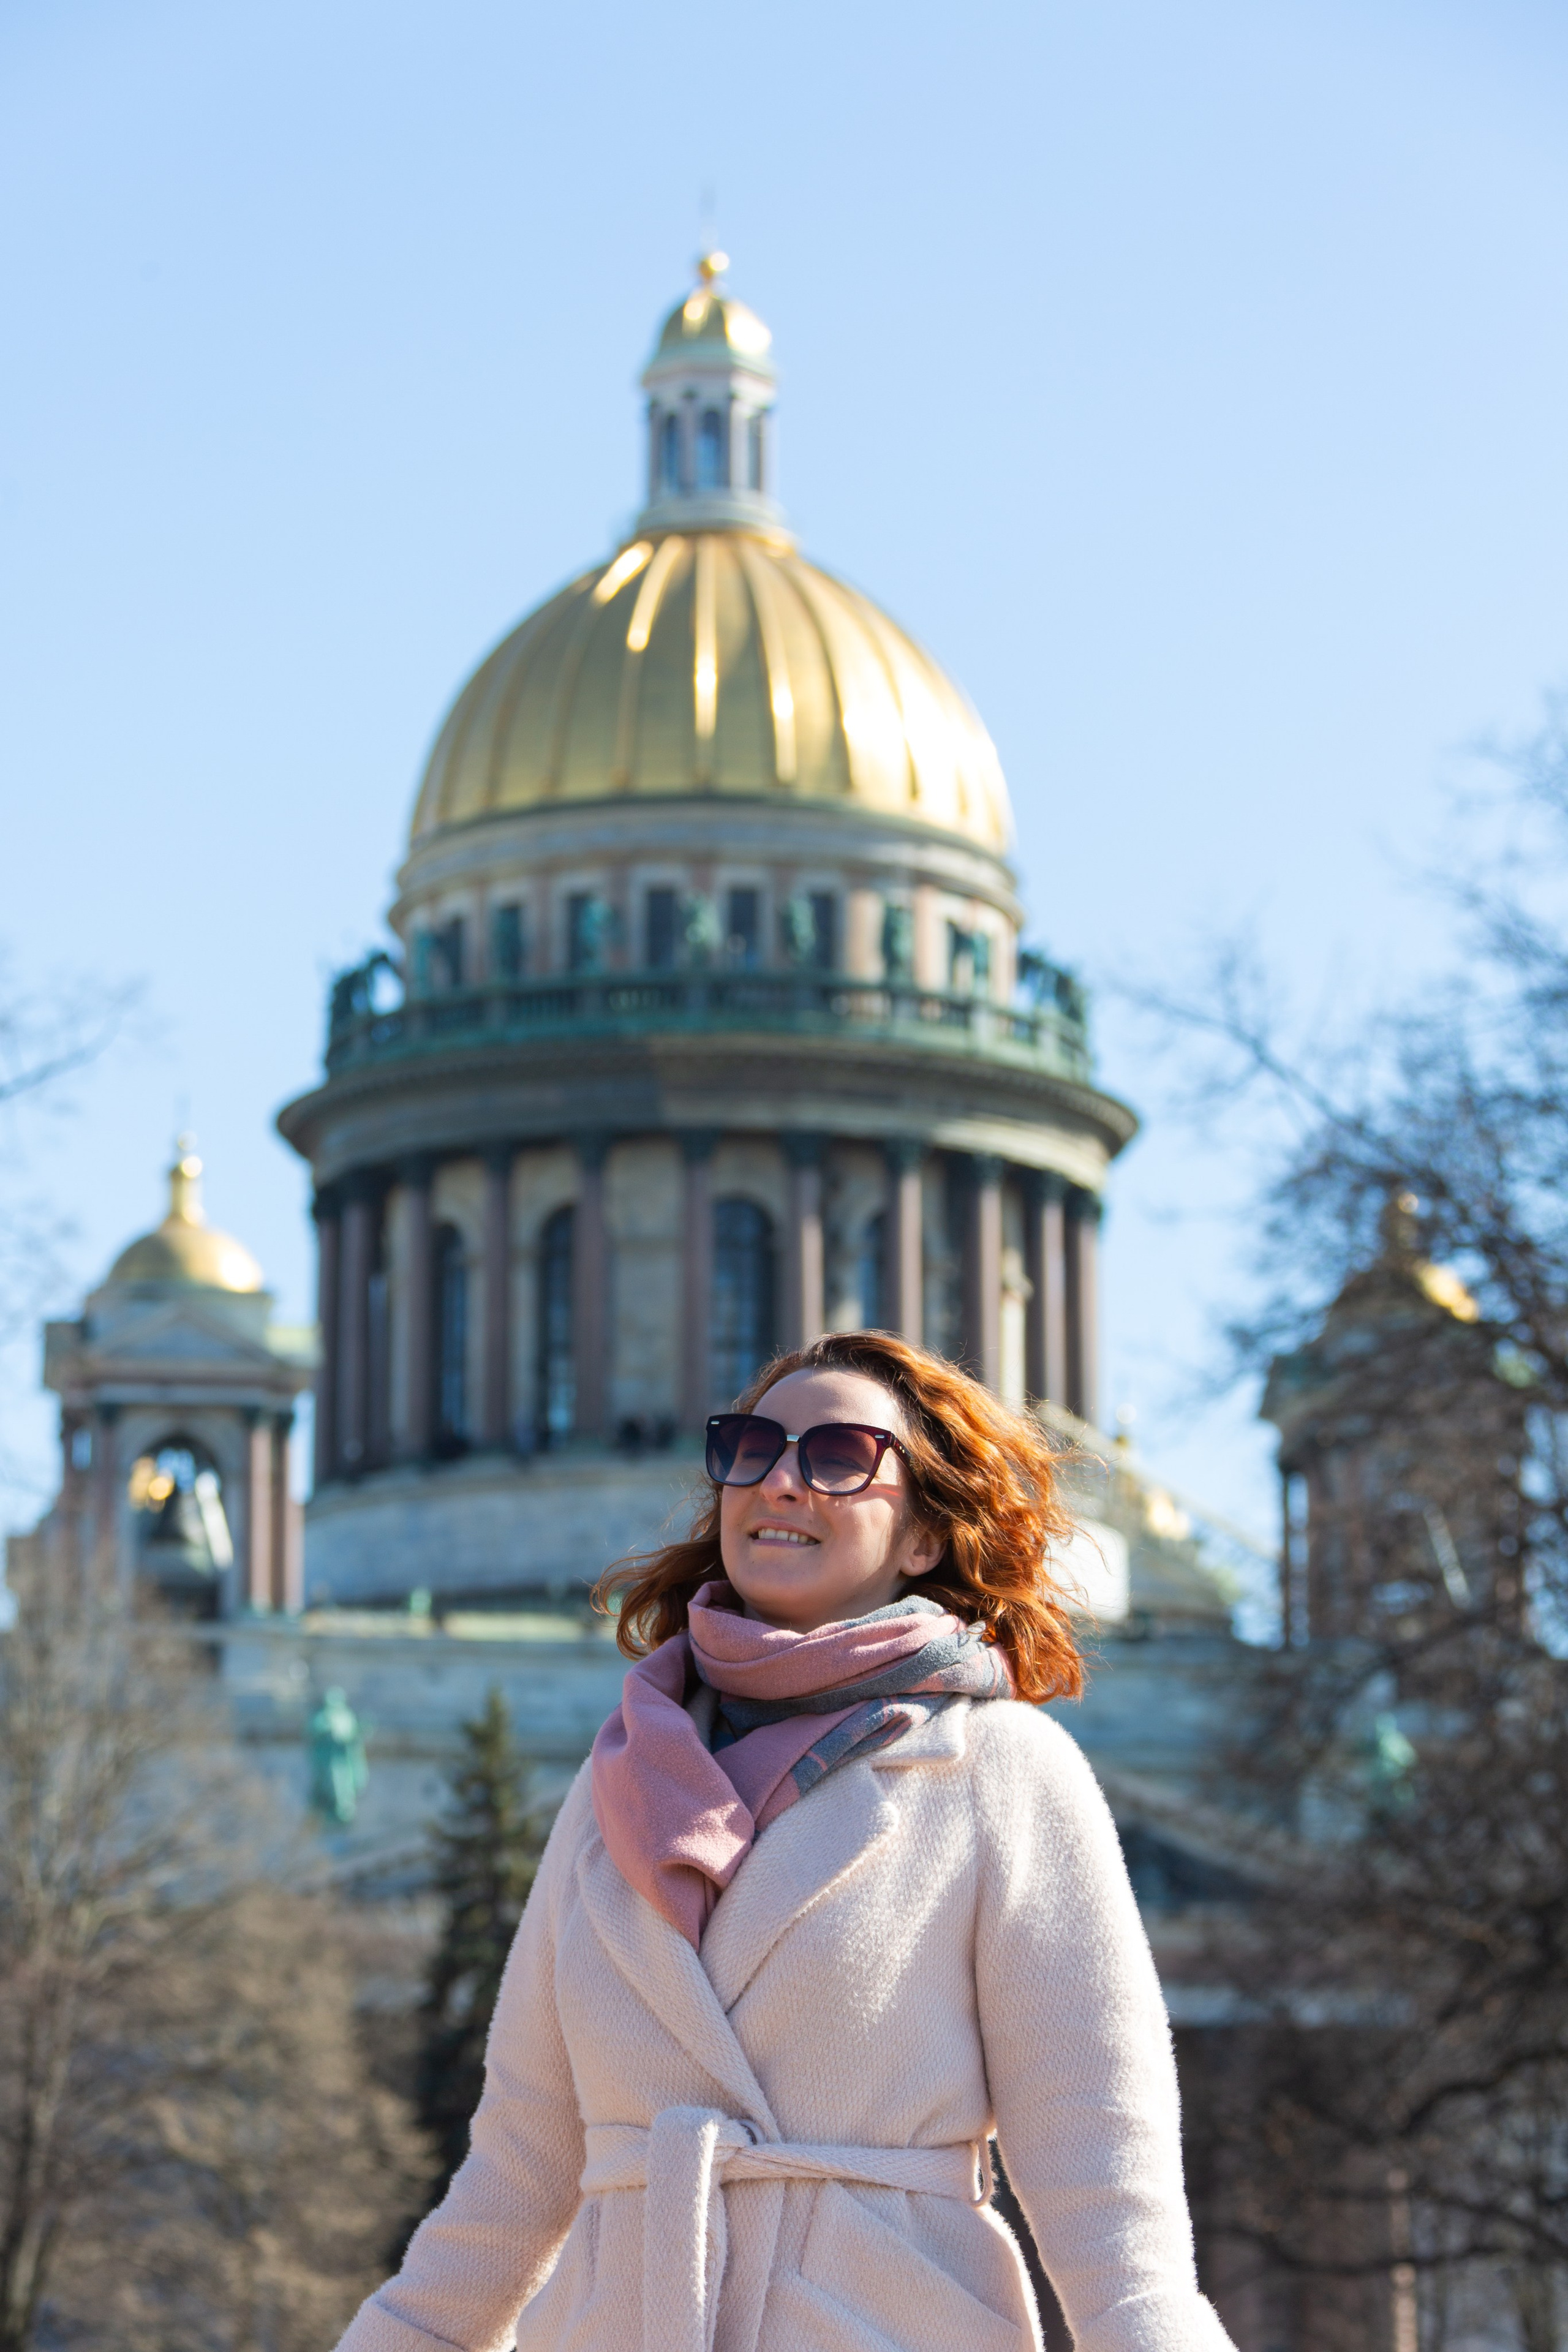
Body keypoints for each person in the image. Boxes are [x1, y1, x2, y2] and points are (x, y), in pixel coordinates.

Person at [334, 1331, 1235, 2352]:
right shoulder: (617, 1781)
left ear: (924, 1535)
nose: (781, 1481)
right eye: (752, 1449)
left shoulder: (1004, 1772)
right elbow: (513, 2174)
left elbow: (1110, 2204)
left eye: (839, 1457)